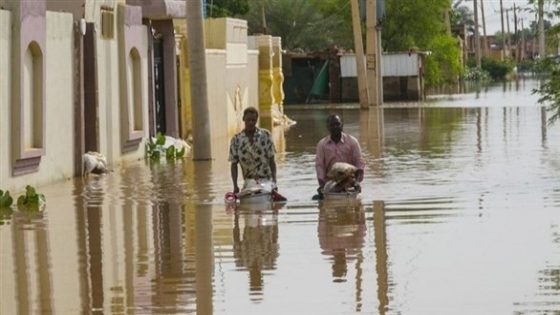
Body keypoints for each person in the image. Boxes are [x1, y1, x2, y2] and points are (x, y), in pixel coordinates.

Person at [229, 106, 278, 195]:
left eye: (253, 120)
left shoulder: (266, 135)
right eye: (248, 120)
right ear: (244, 119)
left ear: (256, 120)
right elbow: (233, 164)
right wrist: (235, 186)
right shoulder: (236, 140)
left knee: (263, 193)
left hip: (266, 181)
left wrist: (274, 182)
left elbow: (272, 160)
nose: (251, 123)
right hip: (249, 182)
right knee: (249, 193)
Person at [315, 114, 365, 199]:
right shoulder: (322, 145)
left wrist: (357, 182)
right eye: (332, 125)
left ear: (342, 125)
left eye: (337, 124)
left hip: (349, 181)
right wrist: (322, 185)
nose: (335, 127)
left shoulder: (352, 142)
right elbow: (320, 166)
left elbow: (359, 163)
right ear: (328, 127)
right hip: (331, 182)